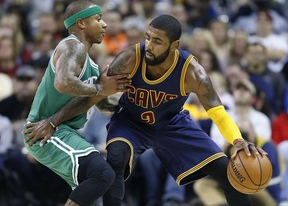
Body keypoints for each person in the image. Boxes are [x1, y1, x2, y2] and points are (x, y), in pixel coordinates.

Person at [24, 15, 267, 206]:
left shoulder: (192, 72)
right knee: (116, 158)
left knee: (229, 172)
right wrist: (53, 121)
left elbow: (217, 112)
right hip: (131, 121)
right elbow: (96, 92)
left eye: (157, 41)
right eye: (148, 37)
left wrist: (236, 139)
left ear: (175, 45)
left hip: (171, 124)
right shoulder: (130, 57)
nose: (149, 45)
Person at [23, 0, 131, 206]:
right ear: (81, 23)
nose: (105, 25)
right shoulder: (73, 46)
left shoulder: (90, 63)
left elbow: (97, 103)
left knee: (105, 179)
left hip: (63, 131)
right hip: (45, 130)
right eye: (98, 19)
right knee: (102, 174)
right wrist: (101, 88)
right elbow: (64, 83)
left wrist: (127, 104)